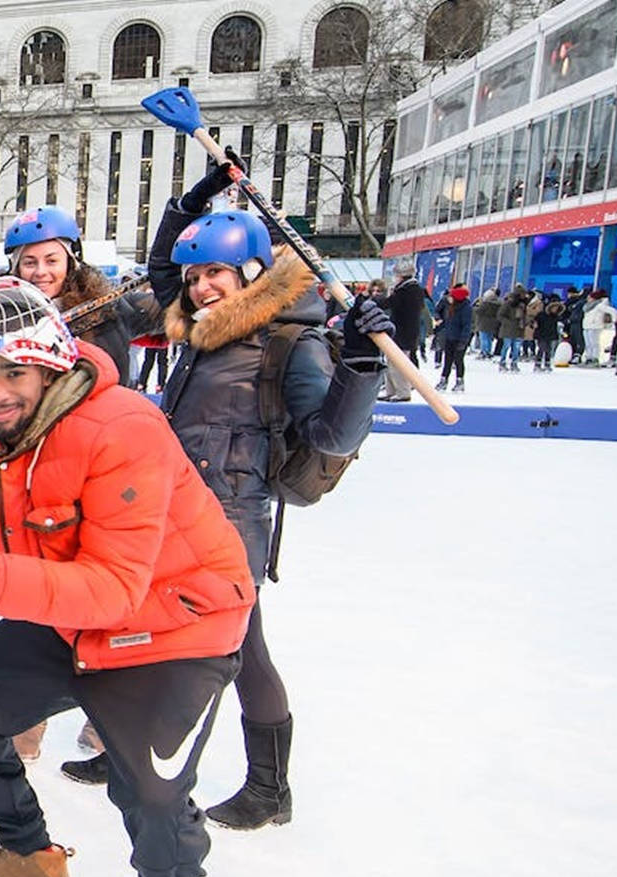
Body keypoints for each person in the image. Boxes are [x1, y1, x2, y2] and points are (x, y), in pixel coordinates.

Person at [0, 275, 255, 877]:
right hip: (66, 615)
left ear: (51, 366)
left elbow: (117, 588)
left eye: (15, 372)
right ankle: (30, 853)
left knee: (150, 791)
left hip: (175, 624)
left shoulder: (123, 427)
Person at [77, 193, 387, 829]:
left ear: (251, 272)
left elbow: (333, 436)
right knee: (155, 635)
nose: (200, 288)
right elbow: (163, 276)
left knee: (241, 653)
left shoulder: (289, 342)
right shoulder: (207, 335)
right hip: (176, 516)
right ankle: (129, 750)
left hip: (232, 526)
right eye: (194, 277)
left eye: (214, 272)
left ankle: (269, 788)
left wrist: (360, 361)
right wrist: (184, 205)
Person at [2, 205, 135, 384]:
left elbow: (166, 310)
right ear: (16, 268)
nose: (40, 272)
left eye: (51, 261)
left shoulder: (107, 309)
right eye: (29, 263)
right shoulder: (0, 316)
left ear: (70, 262)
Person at [382, 264, 425, 401]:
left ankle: (402, 392)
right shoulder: (414, 289)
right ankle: (391, 391)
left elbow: (388, 303)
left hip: (402, 332)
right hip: (406, 332)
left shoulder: (405, 291)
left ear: (401, 276)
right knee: (392, 362)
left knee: (398, 364)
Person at [435, 281, 472, 392]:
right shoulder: (451, 306)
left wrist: (463, 340)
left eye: (451, 296)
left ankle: (459, 381)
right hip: (450, 337)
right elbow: (447, 320)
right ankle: (444, 380)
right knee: (447, 360)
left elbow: (466, 325)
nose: (449, 298)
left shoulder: (466, 308)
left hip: (459, 339)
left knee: (458, 360)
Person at [499, 284, 529, 372]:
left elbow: (524, 316)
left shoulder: (523, 305)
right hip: (508, 329)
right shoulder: (508, 304)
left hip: (519, 329)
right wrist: (508, 323)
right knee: (506, 346)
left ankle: (514, 363)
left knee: (516, 348)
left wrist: (526, 322)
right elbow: (500, 315)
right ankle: (502, 362)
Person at [581, 289, 613, 366]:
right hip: (587, 326)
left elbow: (612, 311)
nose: (588, 299)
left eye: (590, 297)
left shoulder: (600, 305)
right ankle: (589, 358)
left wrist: (613, 321)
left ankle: (595, 358)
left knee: (594, 343)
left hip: (595, 326)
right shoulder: (588, 306)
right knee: (588, 344)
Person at [532, 290, 562, 371]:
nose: (555, 309)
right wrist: (534, 324)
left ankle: (547, 364)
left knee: (549, 350)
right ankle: (538, 364)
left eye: (557, 308)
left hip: (550, 335)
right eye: (554, 307)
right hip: (541, 334)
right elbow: (535, 321)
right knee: (542, 348)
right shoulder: (542, 315)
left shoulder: (555, 316)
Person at [473, 286, 501, 359]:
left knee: (483, 338)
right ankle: (488, 351)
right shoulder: (498, 304)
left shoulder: (485, 303)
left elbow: (479, 311)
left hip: (483, 323)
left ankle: (484, 352)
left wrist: (475, 307)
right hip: (493, 323)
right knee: (489, 339)